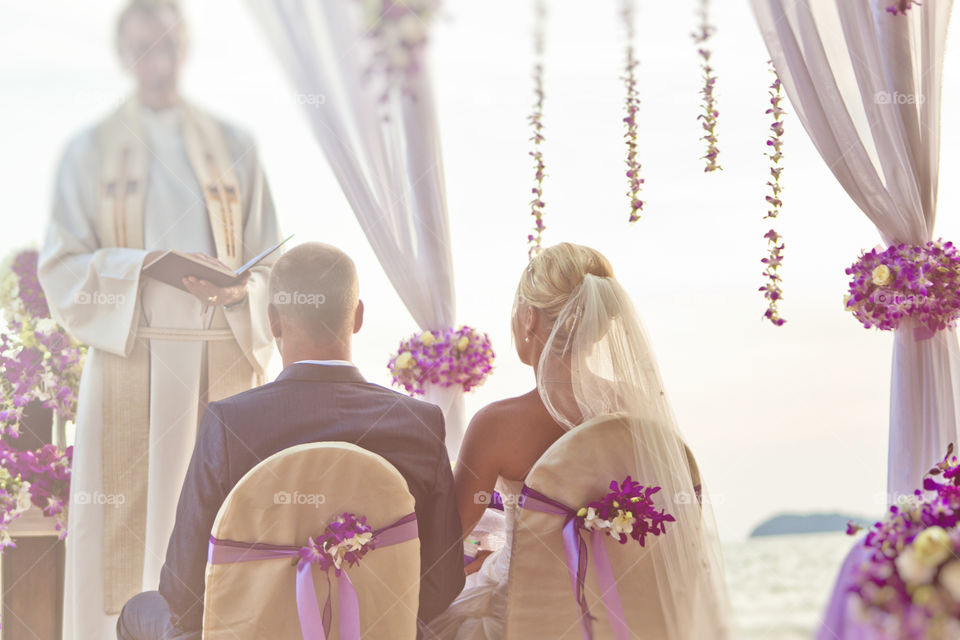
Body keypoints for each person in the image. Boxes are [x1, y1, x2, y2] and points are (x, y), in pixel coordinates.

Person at [38, 1, 281, 637]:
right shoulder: (90, 150)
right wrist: (144, 266)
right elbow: (62, 264)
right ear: (124, 54)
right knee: (125, 537)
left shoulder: (233, 145)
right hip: (132, 358)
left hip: (217, 358)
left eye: (169, 46)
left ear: (186, 48)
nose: (159, 62)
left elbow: (272, 261)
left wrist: (243, 292)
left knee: (207, 529)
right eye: (145, 48)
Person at [116, 242, 465, 639]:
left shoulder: (230, 423)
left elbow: (183, 595)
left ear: (273, 322)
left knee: (138, 612)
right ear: (358, 317)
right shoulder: (418, 422)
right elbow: (441, 585)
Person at [427, 242, 731, 639]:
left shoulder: (497, 426)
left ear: (528, 319)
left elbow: (442, 547)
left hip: (523, 624)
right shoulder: (641, 417)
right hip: (623, 622)